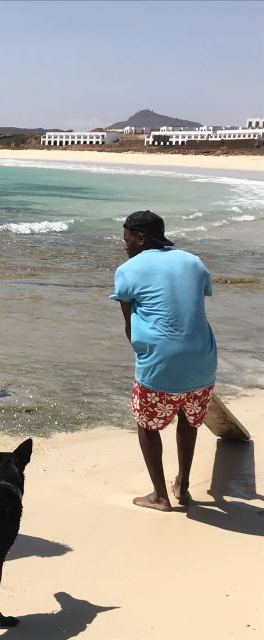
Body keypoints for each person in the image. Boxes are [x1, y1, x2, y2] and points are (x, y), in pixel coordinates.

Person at [110, 210, 217, 512]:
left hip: (161, 363)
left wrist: (149, 359)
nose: (124, 246)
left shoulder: (128, 270)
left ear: (141, 238)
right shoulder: (194, 261)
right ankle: (182, 487)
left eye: (126, 239)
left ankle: (160, 496)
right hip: (204, 362)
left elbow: (130, 329)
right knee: (189, 419)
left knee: (147, 424)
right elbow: (190, 307)